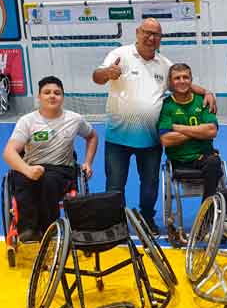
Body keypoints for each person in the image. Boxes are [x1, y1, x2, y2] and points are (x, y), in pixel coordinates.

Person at [92, 18, 216, 235]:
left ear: (161, 38)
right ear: (138, 32)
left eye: (156, 34)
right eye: (147, 33)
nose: (151, 38)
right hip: (117, 136)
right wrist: (107, 73)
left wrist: (206, 92)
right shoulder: (120, 55)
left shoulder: (164, 64)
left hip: (150, 138)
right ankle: (114, 224)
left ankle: (147, 218)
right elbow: (97, 76)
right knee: (115, 183)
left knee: (149, 184)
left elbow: (181, 84)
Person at [3, 76, 98, 242]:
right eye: (47, 93)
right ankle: (28, 229)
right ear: (39, 97)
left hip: (61, 169)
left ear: (62, 97)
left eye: (57, 93)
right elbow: (9, 152)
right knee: (23, 179)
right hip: (31, 166)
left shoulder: (74, 119)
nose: (52, 96)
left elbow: (92, 136)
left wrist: (88, 162)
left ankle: (49, 229)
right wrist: (28, 170)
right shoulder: (27, 121)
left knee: (49, 180)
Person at [158, 63, 223, 244]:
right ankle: (197, 224)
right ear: (171, 83)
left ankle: (204, 221)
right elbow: (166, 140)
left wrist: (179, 128)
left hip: (204, 158)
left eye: (185, 77)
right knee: (212, 162)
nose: (182, 81)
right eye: (177, 78)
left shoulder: (203, 101)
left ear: (191, 80)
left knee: (214, 163)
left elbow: (211, 131)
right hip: (179, 161)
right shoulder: (167, 105)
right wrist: (197, 132)